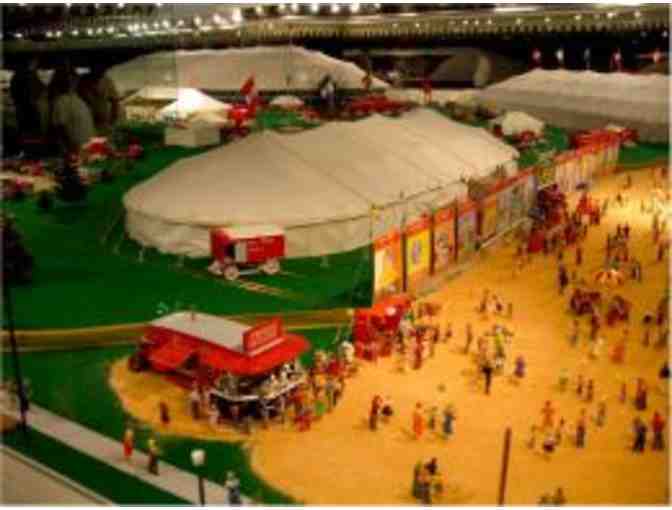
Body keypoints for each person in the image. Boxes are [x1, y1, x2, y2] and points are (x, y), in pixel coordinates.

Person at [49, 64, 95, 154]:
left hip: (87, 149)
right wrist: (72, 147)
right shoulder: (61, 101)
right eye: (68, 79)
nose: (71, 81)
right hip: (74, 151)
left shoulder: (79, 99)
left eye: (73, 78)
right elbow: (60, 127)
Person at [10, 56, 48, 138]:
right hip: (28, 107)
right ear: (31, 62)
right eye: (35, 62)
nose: (37, 64)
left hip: (23, 107)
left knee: (24, 128)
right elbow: (39, 88)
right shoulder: (29, 75)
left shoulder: (20, 74)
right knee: (30, 128)